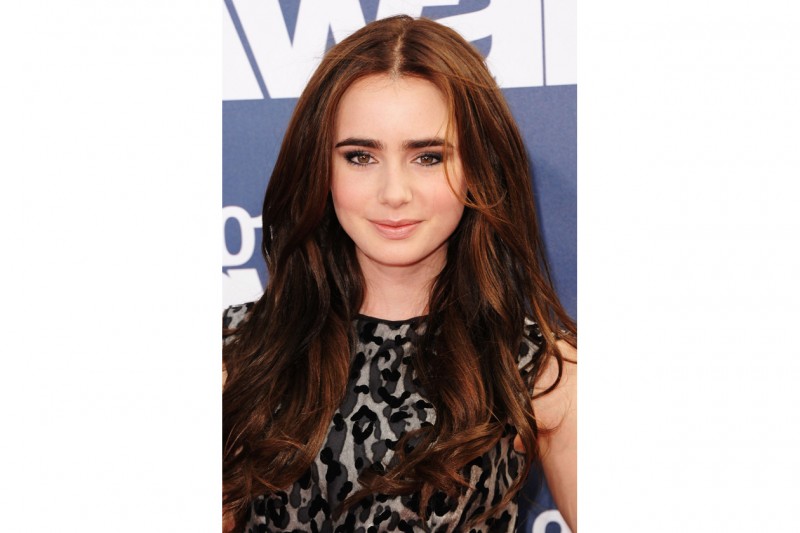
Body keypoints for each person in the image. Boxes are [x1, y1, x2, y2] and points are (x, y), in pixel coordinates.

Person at [222, 15, 576, 533]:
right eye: (360, 156)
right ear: (321, 168)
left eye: (427, 157)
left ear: (477, 167)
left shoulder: (539, 370)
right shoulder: (239, 353)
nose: (394, 193)